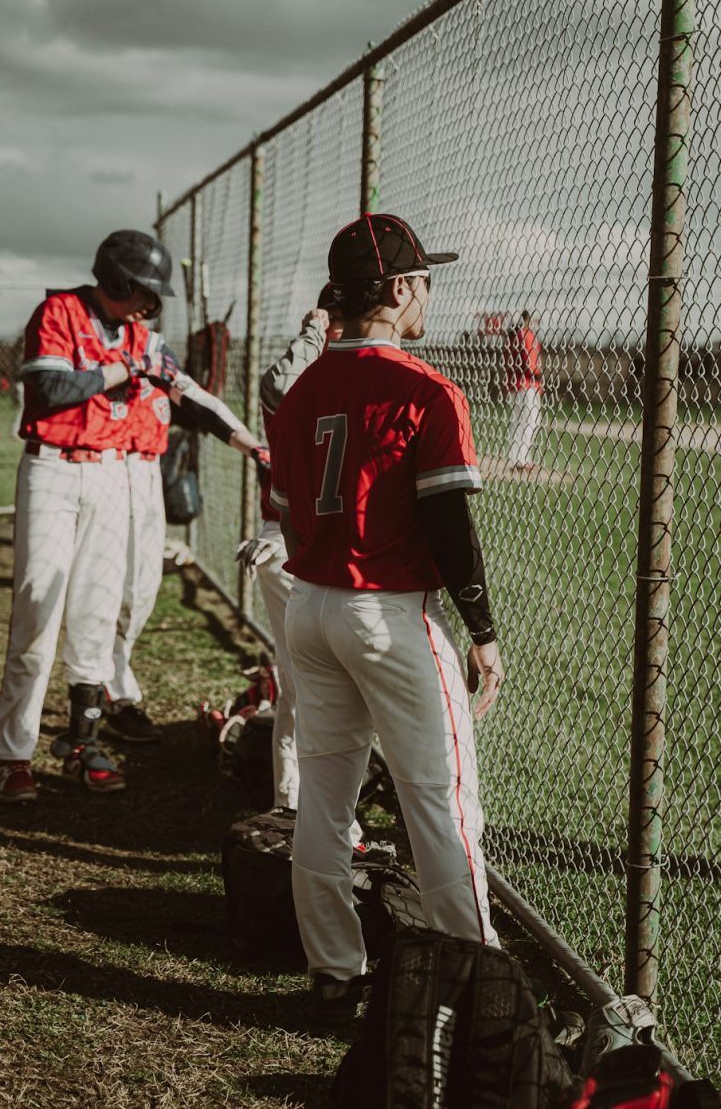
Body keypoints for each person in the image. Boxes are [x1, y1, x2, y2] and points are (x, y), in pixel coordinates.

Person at [268, 213, 506, 1011]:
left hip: (311, 606)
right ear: (401, 289)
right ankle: (483, 991)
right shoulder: (425, 387)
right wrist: (482, 629)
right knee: (440, 800)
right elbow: (449, 528)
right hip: (388, 612)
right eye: (424, 280)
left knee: (325, 794)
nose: (428, 293)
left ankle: (335, 973)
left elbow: (289, 517)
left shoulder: (301, 390)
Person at [0, 230, 176, 802]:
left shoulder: (139, 332)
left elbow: (172, 385)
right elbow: (47, 390)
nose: (147, 304)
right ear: (117, 278)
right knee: (38, 614)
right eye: (141, 291)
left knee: (96, 611)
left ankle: (81, 740)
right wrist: (121, 371)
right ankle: (14, 755)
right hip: (54, 470)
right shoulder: (60, 310)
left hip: (113, 472)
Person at [104, 336, 268, 743]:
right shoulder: (92, 338)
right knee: (99, 591)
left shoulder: (152, 348)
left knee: (139, 591)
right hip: (96, 467)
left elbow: (200, 403)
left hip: (144, 471)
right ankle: (104, 698)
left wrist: (254, 448)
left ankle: (106, 689)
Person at [235, 287, 344, 810]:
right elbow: (277, 386)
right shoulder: (310, 370)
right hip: (286, 539)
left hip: (318, 543)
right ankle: (293, 810)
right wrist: (315, 331)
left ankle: (305, 806)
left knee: (317, 685)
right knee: (305, 685)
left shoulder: (360, 370)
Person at [504, 309, 542, 470]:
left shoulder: (511, 337)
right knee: (531, 421)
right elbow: (530, 362)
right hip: (528, 385)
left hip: (514, 385)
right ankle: (523, 459)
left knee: (517, 423)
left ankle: (516, 459)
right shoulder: (527, 335)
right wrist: (537, 374)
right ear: (527, 319)